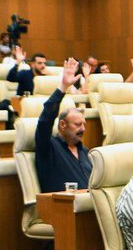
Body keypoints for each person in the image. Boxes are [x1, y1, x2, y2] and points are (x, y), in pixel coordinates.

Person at [35, 58, 92, 193]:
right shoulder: (48, 147)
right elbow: (45, 120)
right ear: (62, 125)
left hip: (89, 206)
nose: (83, 129)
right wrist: (63, 87)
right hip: (61, 208)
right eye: (78, 124)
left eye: (84, 124)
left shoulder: (85, 152)